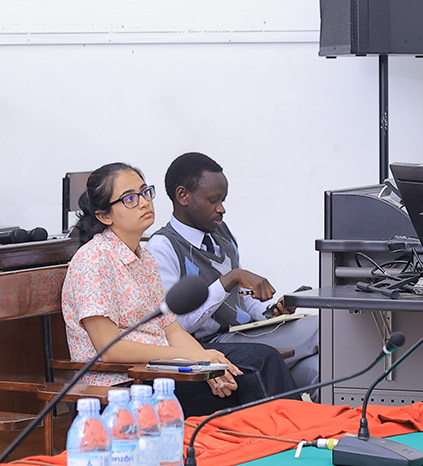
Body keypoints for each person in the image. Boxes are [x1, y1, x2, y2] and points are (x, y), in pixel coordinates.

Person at [61, 162, 254, 416]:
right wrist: (189, 358)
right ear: (104, 216)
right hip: (119, 387)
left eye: (144, 192)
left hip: (161, 372)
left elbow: (171, 329)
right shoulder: (93, 260)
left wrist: (208, 368)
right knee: (252, 377)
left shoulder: (145, 257)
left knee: (247, 370)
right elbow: (109, 349)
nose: (144, 203)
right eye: (130, 198)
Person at [145, 151, 319, 393]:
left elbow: (240, 301)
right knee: (325, 328)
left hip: (244, 334)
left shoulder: (221, 233)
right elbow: (176, 324)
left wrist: (270, 313)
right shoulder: (163, 246)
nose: (222, 209)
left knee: (322, 367)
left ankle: (343, 417)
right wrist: (229, 280)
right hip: (211, 344)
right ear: (183, 196)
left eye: (223, 200)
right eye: (213, 200)